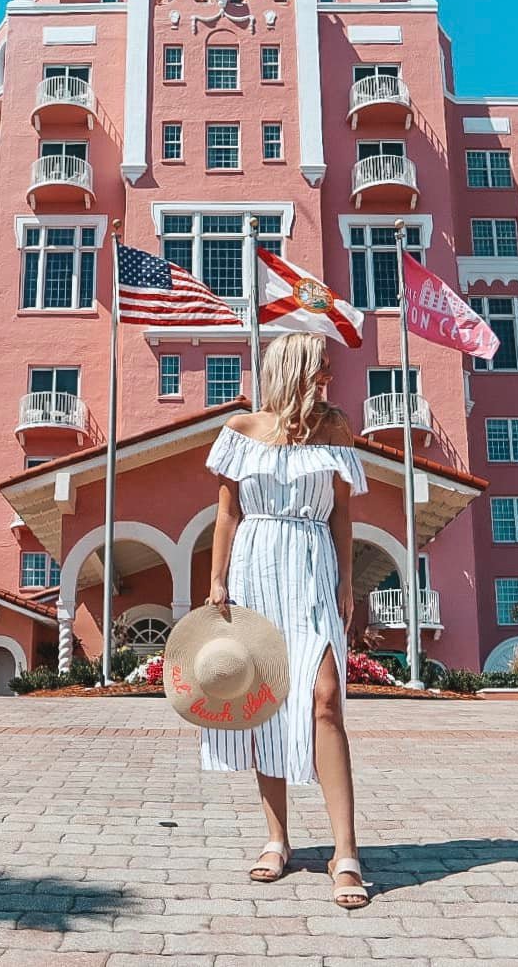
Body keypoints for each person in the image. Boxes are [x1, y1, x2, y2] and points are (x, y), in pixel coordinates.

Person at [201, 332, 371, 909]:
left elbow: (344, 515)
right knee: (266, 702)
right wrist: (218, 580)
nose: (328, 377)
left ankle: (345, 853)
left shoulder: (335, 430)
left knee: (326, 696)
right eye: (320, 368)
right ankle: (277, 839)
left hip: (313, 564)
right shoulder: (241, 431)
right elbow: (227, 515)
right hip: (254, 565)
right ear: (292, 369)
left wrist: (349, 584)